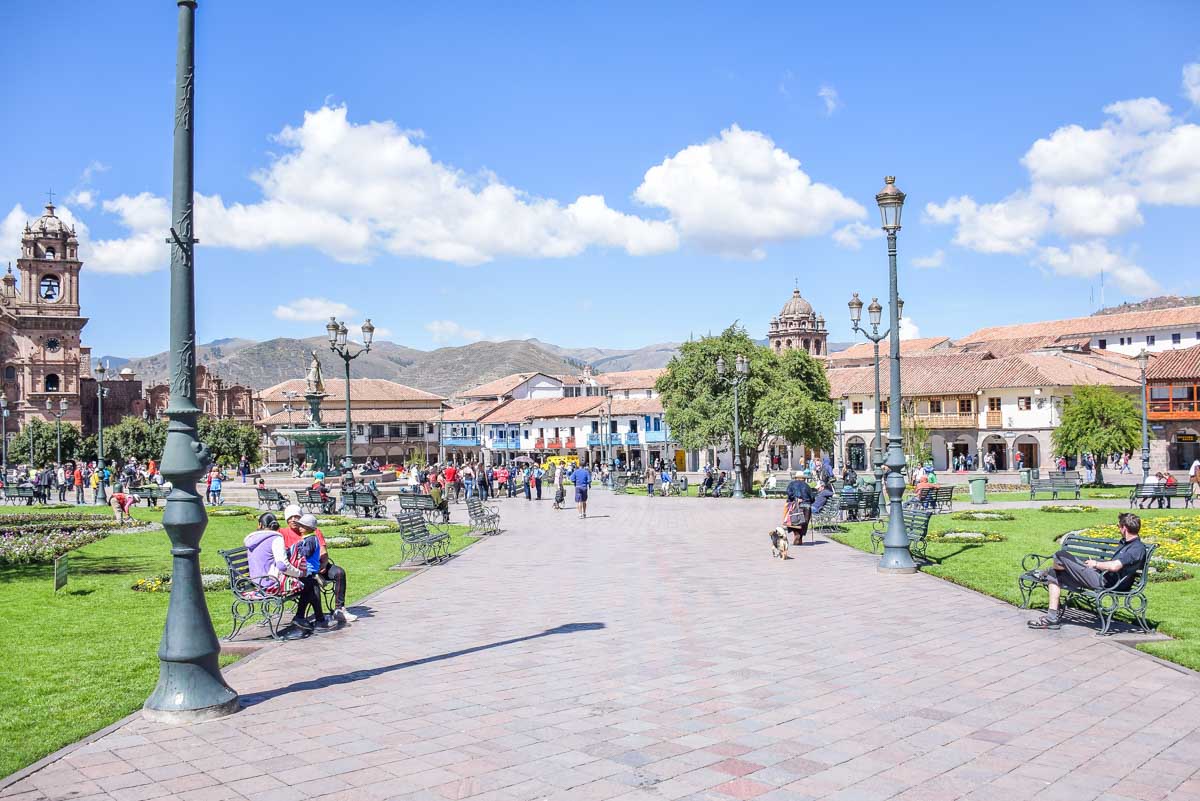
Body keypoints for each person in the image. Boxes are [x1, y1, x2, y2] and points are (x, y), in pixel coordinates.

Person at [1028, 513, 1147, 630]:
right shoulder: (1126, 543)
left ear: (1124, 528)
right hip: (1102, 576)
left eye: (1118, 526)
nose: (1118, 529)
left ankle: (1043, 573)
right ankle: (1052, 618)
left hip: (1107, 583)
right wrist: (1095, 565)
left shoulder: (1136, 548)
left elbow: (1115, 566)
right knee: (1054, 573)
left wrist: (1095, 564)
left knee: (1060, 555)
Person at [244, 513, 310, 638]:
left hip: (256, 582)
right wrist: (300, 573)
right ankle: (303, 618)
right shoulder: (275, 538)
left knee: (308, 582)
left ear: (259, 525)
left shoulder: (251, 539)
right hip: (271, 583)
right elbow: (282, 566)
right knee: (309, 582)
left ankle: (309, 618)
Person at [784, 471, 814, 546]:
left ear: (796, 478)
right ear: (803, 478)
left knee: (794, 521)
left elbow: (789, 494)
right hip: (806, 506)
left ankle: (796, 534)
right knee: (804, 522)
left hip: (795, 505)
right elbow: (812, 498)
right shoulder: (807, 486)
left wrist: (794, 499)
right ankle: (800, 537)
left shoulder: (791, 484)